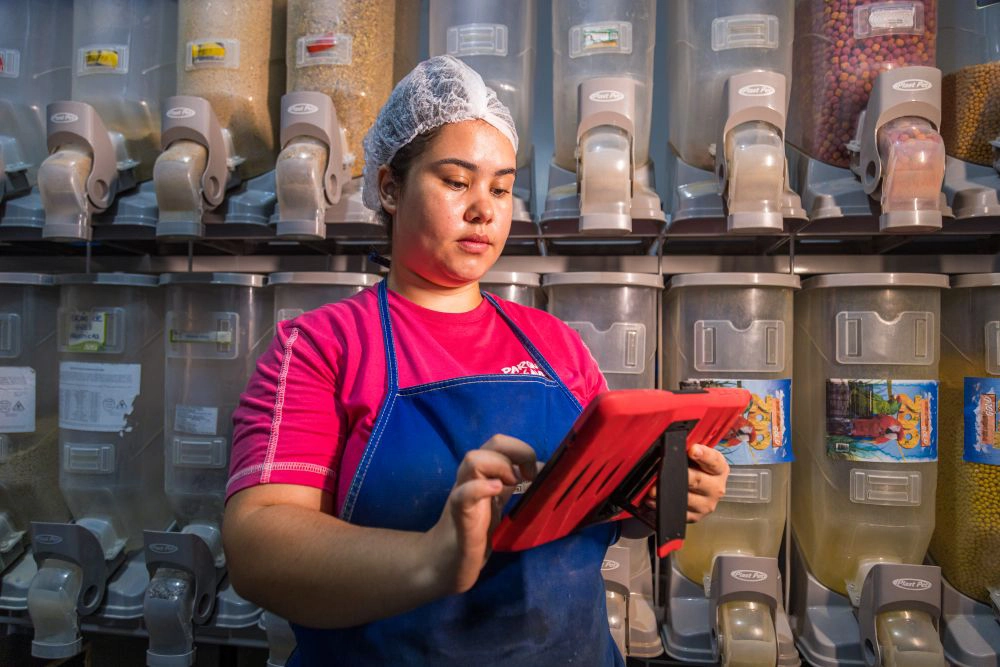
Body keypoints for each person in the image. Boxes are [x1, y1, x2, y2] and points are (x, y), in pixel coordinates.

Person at [223, 55, 729, 666]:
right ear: (389, 187)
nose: (483, 210)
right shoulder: (320, 346)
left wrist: (656, 499)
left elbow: (603, 509)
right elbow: (258, 547)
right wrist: (433, 559)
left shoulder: (554, 344)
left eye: (501, 187)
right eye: (456, 181)